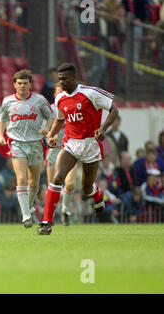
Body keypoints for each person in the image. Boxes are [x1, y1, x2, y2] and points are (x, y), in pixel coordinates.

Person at [37, 63, 119, 235]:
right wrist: (52, 135)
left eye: (65, 79)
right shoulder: (60, 98)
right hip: (71, 143)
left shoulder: (90, 93)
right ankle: (46, 223)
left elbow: (114, 109)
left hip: (91, 144)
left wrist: (103, 129)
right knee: (57, 177)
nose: (61, 83)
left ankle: (98, 197)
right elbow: (60, 119)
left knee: (86, 187)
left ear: (74, 78)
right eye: (59, 80)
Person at [0, 69, 54, 227]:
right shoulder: (8, 101)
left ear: (30, 84)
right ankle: (26, 216)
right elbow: (2, 119)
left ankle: (28, 205)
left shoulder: (39, 100)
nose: (22, 86)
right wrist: (2, 135)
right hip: (17, 143)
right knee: (21, 178)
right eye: (19, 83)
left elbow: (51, 116)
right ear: (14, 84)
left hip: (36, 143)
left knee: (34, 183)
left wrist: (47, 129)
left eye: (25, 83)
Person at [45, 83, 79, 226]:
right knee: (53, 186)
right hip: (54, 151)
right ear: (54, 94)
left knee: (70, 184)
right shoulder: (49, 110)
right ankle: (50, 216)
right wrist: (49, 135)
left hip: (70, 149)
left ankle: (65, 209)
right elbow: (44, 129)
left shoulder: (73, 108)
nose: (61, 95)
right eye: (58, 92)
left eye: (63, 92)